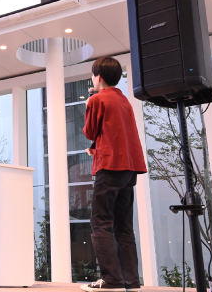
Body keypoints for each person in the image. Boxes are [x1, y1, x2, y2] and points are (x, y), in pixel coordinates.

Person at [81, 56, 147, 292]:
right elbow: (115, 134)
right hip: (128, 168)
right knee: (124, 226)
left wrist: (89, 102)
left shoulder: (97, 99)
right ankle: (131, 281)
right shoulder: (124, 100)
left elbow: (89, 132)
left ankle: (112, 281)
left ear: (98, 77)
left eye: (93, 75)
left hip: (109, 167)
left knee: (101, 223)